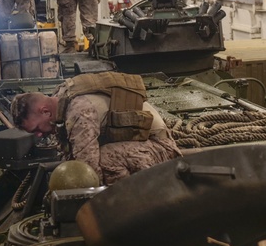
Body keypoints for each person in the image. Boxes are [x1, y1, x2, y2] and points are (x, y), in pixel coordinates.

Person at [10, 72, 181, 185]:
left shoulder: (79, 112)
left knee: (105, 160)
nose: (39, 134)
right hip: (139, 143)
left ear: (45, 111)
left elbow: (89, 172)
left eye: (36, 129)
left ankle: (125, 204)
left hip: (160, 148)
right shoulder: (60, 100)